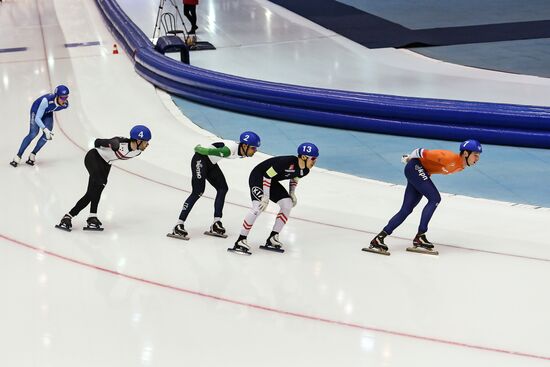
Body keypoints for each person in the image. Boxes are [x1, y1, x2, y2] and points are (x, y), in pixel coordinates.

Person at [364, 140, 482, 256]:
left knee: (406, 209)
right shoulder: (447, 157)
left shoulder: (460, 167)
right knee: (435, 198)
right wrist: (410, 158)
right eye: (475, 155)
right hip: (415, 168)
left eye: (478, 156)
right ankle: (420, 236)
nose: (477, 158)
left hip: (419, 172)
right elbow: (419, 151)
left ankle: (379, 239)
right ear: (466, 153)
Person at [55, 125, 152, 232]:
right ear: (138, 140)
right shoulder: (119, 143)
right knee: (100, 183)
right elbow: (97, 142)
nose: (147, 144)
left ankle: (88, 216)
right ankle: (71, 216)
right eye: (146, 141)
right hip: (94, 157)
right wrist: (110, 142)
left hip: (106, 164)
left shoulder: (137, 152)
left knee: (94, 192)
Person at [228, 142, 319, 255]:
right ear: (304, 157)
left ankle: (273, 237)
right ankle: (240, 240)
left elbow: (295, 177)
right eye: (313, 158)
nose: (315, 162)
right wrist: (265, 197)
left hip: (271, 181)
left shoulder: (305, 170)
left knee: (287, 204)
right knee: (258, 207)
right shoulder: (286, 162)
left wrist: (292, 193)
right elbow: (267, 175)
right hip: (259, 176)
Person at [168, 131, 261, 240]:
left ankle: (216, 223)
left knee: (223, 188)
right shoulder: (228, 150)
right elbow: (204, 151)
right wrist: (198, 148)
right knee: (198, 191)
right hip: (200, 159)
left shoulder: (241, 151)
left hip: (211, 163)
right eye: (253, 148)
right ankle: (178, 225)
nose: (255, 151)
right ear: (245, 146)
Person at [10, 85, 69, 167]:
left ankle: (33, 154)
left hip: (47, 112)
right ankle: (18, 156)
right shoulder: (46, 101)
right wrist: (45, 129)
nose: (65, 100)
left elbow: (52, 109)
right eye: (62, 98)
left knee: (47, 135)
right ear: (57, 96)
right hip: (36, 110)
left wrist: (47, 131)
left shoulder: (65, 105)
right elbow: (37, 118)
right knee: (33, 133)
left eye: (66, 97)